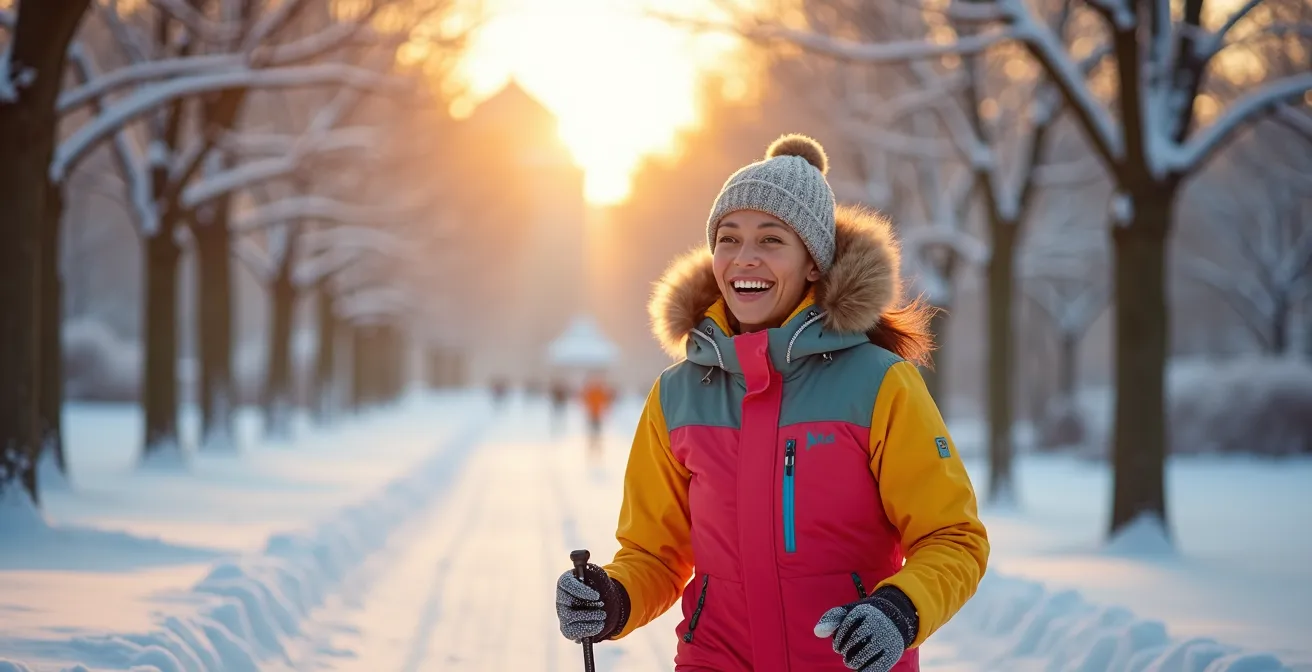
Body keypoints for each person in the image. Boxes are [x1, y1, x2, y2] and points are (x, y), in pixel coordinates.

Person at [554, 135, 989, 671]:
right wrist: (613, 597)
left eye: (771, 240)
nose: (745, 259)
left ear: (813, 262)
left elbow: (953, 537)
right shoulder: (677, 394)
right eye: (729, 239)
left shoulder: (880, 384)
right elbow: (653, 555)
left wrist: (900, 610)